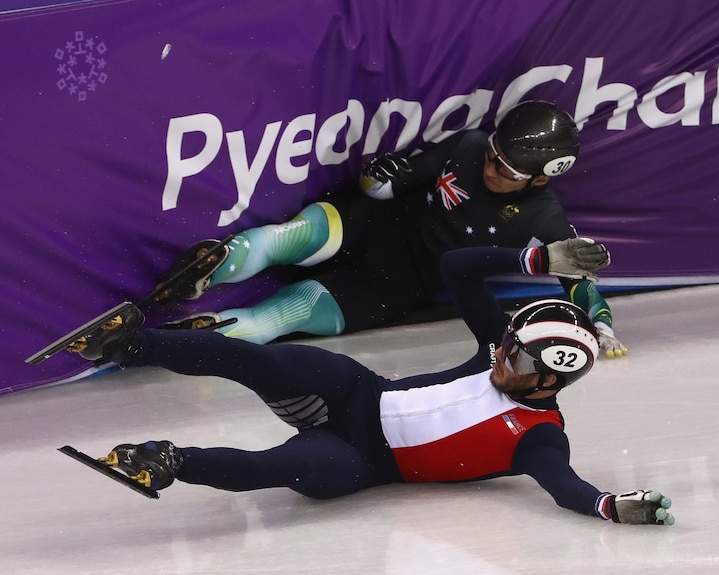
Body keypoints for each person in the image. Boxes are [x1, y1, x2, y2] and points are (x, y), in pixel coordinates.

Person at [74, 240, 673, 526]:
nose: (500, 362)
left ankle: (167, 461)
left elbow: (567, 488)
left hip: (361, 458)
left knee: (282, 469)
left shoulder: (541, 436)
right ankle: (131, 345)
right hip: (359, 393)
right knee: (267, 362)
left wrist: (610, 506)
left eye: (516, 364)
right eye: (507, 347)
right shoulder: (499, 348)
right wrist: (533, 263)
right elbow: (453, 268)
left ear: (549, 383)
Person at [155, 100, 628, 360]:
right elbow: (383, 185)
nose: (490, 170)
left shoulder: (543, 218)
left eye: (506, 171)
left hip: (399, 285)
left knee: (286, 316)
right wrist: (377, 177)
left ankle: (203, 334)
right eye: (492, 156)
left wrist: (601, 325)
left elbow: (577, 279)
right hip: (377, 225)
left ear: (542, 177)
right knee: (294, 235)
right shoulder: (468, 144)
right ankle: (213, 266)